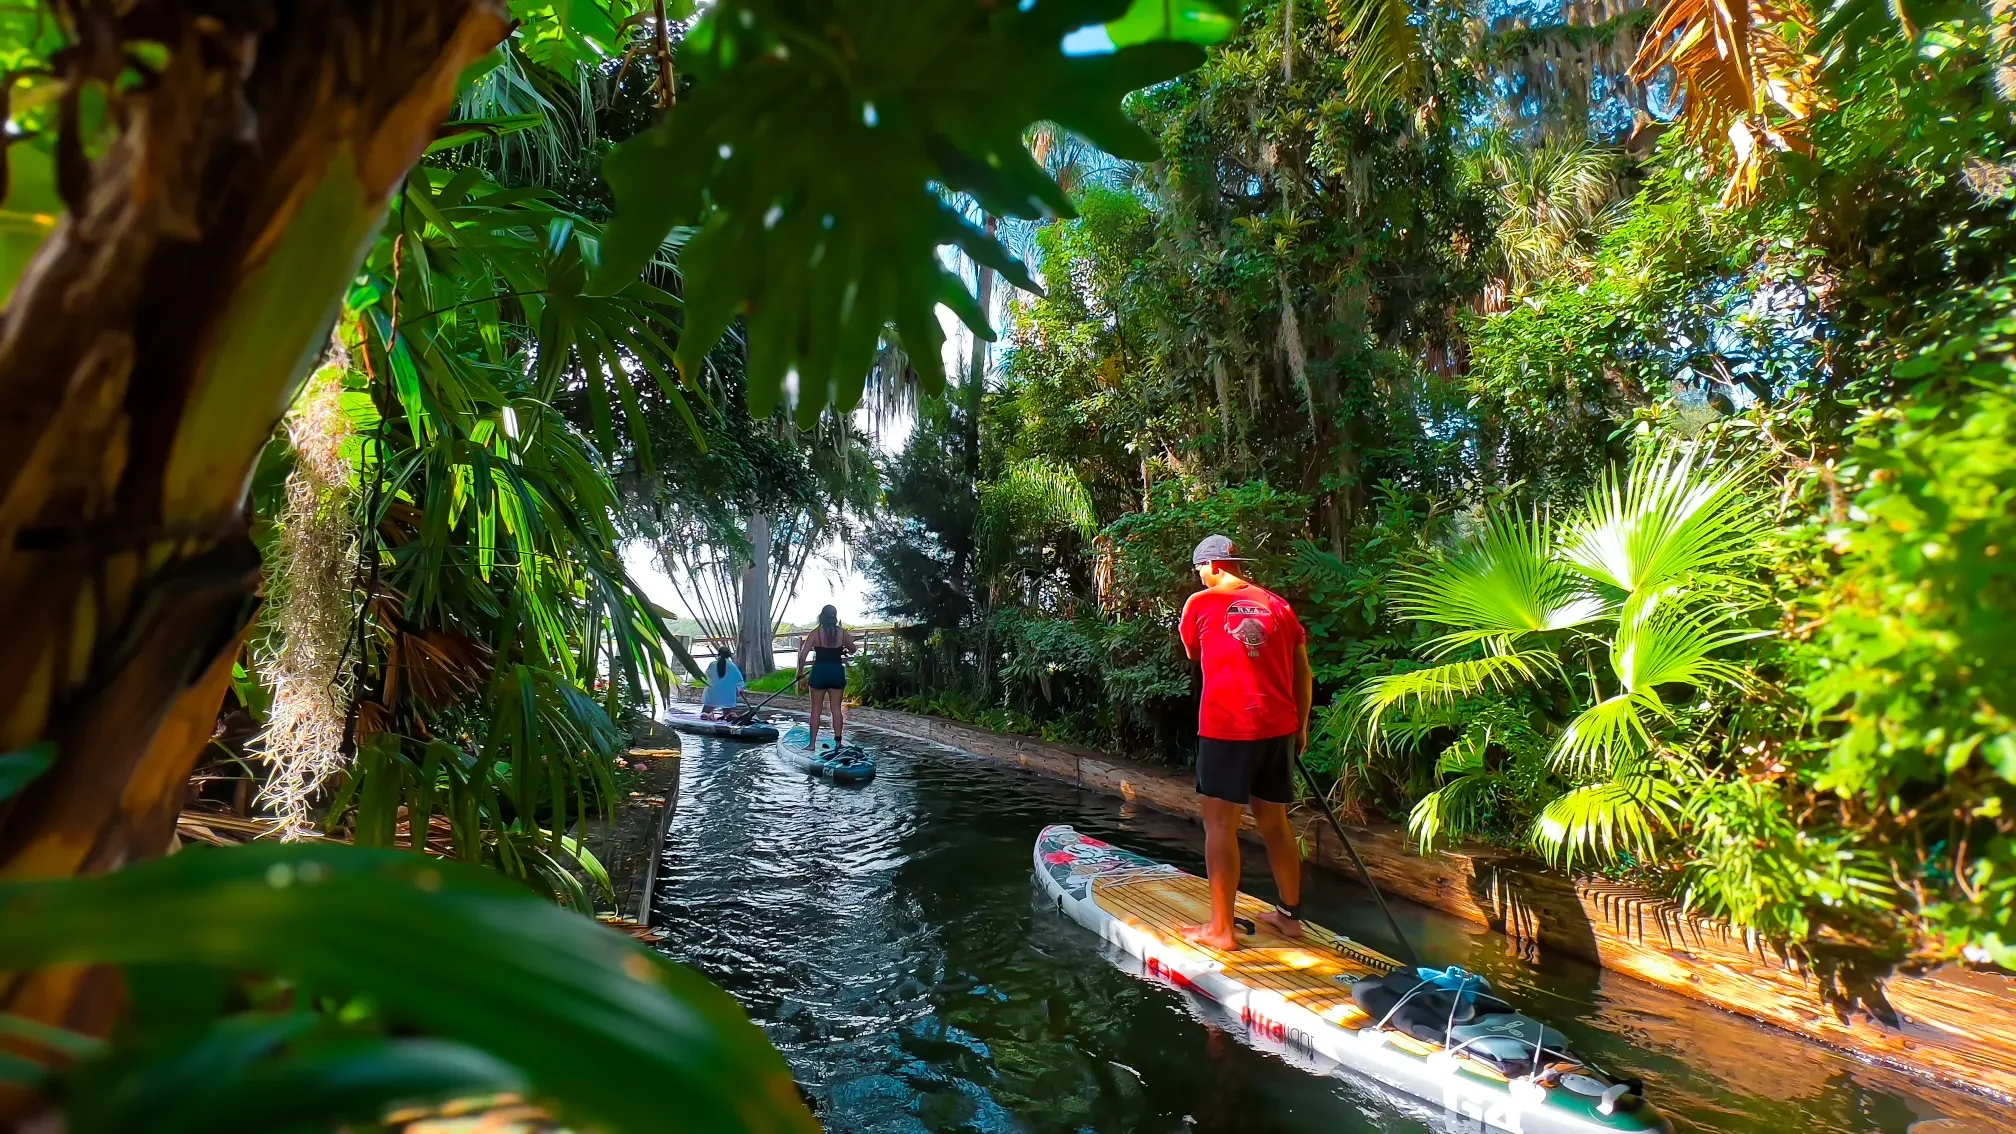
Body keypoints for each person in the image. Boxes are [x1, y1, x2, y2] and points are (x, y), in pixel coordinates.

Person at [1177, 534, 1313, 952]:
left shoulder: (1199, 604)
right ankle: (1289, 918)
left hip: (1227, 728)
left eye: (1200, 570)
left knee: (1220, 825)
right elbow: (1303, 672)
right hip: (1279, 727)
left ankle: (1222, 930)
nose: (1199, 578)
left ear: (1213, 565)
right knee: (1275, 823)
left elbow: (1194, 654)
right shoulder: (1278, 605)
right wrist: (1301, 727)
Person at [796, 605, 857, 750]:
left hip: (819, 672)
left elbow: (803, 655)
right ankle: (838, 742)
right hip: (836, 672)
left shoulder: (815, 633)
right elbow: (853, 650)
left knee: (815, 710)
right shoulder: (842, 633)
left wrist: (800, 672)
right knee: (836, 709)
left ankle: (811, 745)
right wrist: (845, 649)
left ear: (821, 616)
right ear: (835, 617)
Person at [699, 647, 745, 719]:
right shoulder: (733, 666)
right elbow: (740, 681)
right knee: (727, 713)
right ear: (729, 655)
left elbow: (707, 675)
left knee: (704, 712)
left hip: (712, 694)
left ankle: (707, 715)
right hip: (727, 696)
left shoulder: (712, 664)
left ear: (719, 654)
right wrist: (739, 690)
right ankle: (728, 716)